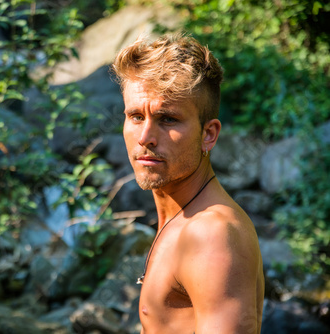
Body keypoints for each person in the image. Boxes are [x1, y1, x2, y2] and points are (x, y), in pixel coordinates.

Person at [112, 33, 264, 334]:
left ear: (208, 134)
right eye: (136, 116)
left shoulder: (211, 235)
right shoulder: (182, 217)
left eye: (167, 119)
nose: (145, 138)